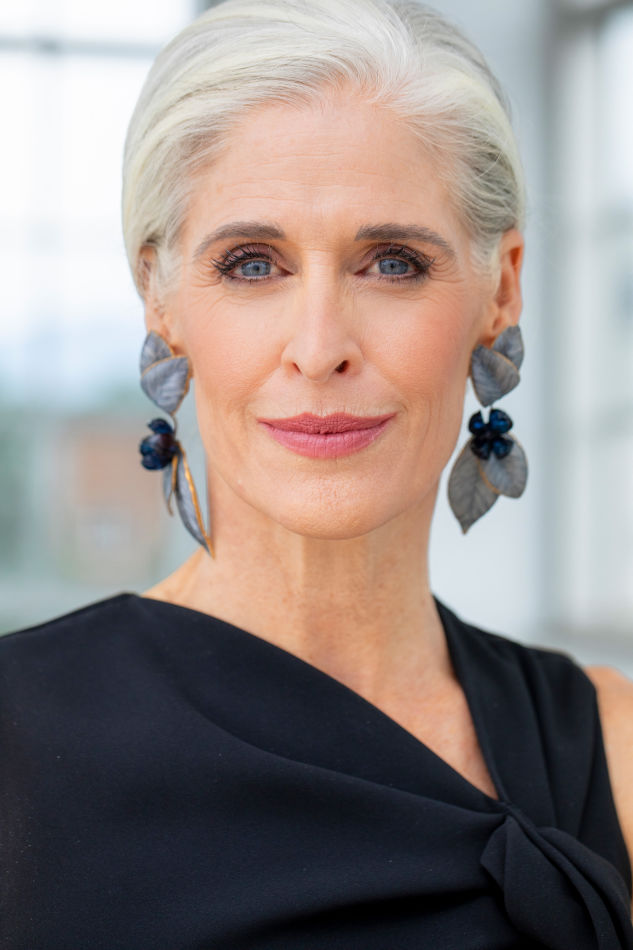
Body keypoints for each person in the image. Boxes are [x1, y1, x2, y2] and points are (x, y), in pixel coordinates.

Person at [2, 1, 632, 947]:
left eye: (392, 262)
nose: (318, 347)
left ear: (499, 287)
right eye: (252, 265)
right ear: (160, 299)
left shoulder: (612, 747)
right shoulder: (14, 742)